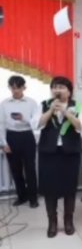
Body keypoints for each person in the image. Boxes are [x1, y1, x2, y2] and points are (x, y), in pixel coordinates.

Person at [37, 77, 82, 238]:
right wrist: (50, 111)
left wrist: (65, 112)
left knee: (69, 188)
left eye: (61, 87)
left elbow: (80, 126)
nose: (57, 90)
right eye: (55, 87)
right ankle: (52, 222)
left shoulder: (77, 106)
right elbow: (38, 124)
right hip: (48, 152)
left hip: (70, 153)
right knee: (50, 188)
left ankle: (68, 221)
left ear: (69, 91)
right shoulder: (44, 105)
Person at [0, 76, 40, 208]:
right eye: (13, 88)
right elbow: (1, 124)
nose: (15, 90)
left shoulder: (32, 103)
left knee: (30, 169)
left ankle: (33, 198)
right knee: (15, 169)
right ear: (9, 88)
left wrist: (24, 119)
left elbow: (36, 123)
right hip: (11, 137)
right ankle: (22, 196)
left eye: (18, 87)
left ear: (24, 88)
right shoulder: (4, 103)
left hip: (27, 136)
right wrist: (4, 143)